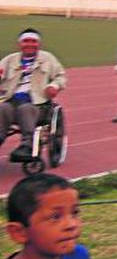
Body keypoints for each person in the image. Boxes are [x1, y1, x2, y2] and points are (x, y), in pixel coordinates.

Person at [0, 173, 91, 259]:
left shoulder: (79, 256)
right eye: (55, 217)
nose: (72, 225)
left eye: (74, 213)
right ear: (19, 232)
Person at [0, 30, 68, 162]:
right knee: (3, 109)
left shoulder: (48, 59)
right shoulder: (9, 60)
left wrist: (54, 86)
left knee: (25, 109)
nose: (29, 44)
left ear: (39, 44)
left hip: (38, 103)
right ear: (19, 44)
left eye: (33, 41)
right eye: (26, 41)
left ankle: (27, 145)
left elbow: (61, 76)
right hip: (11, 100)